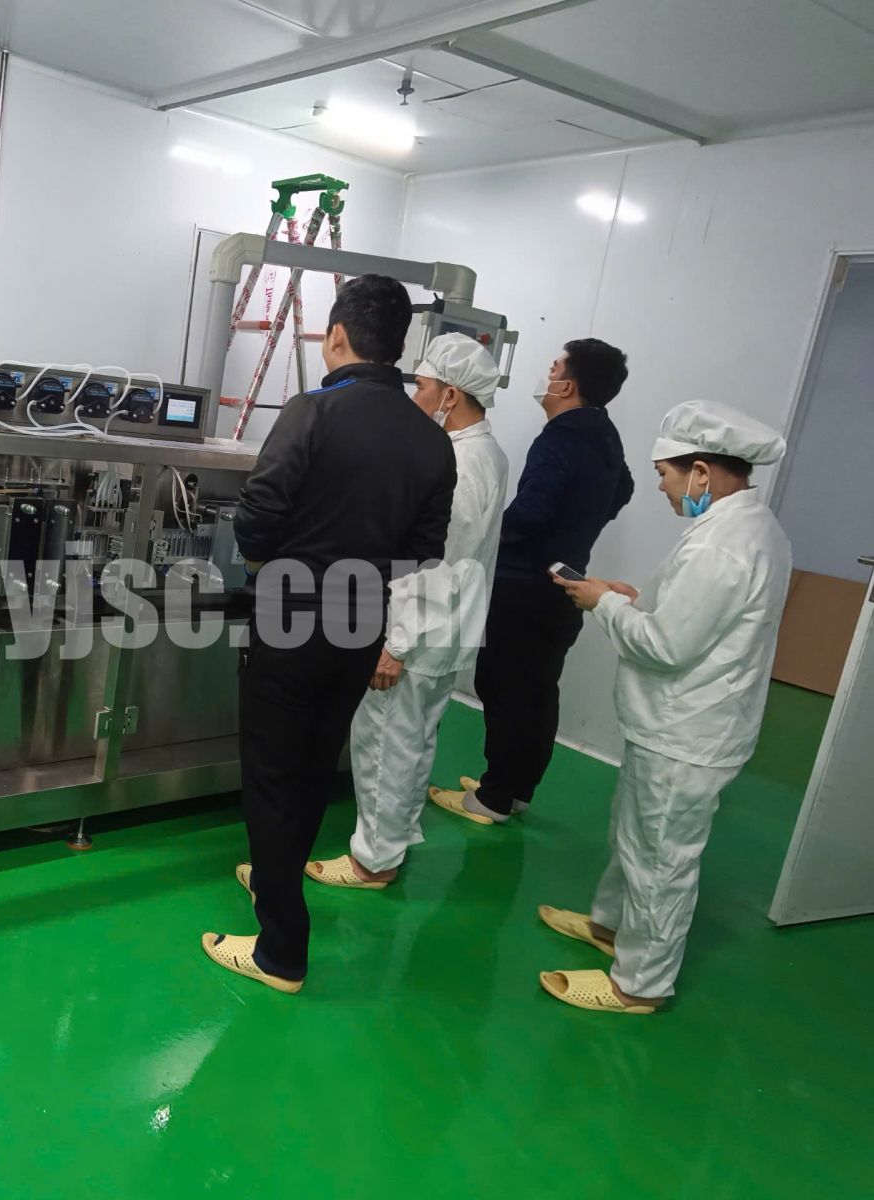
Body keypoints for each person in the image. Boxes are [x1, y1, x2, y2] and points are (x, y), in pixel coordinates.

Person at [203, 274, 457, 994]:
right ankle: (274, 875)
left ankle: (280, 950)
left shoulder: (312, 412)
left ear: (337, 336)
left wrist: (276, 565)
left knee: (271, 771)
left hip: (292, 614)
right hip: (360, 619)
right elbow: (424, 551)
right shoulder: (432, 440)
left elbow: (257, 515)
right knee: (315, 765)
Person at [540, 400, 790, 1014]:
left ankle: (640, 983)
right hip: (676, 723)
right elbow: (694, 618)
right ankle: (610, 926)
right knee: (634, 832)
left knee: (660, 858)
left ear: (700, 471)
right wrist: (631, 598)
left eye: (664, 473)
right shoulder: (746, 527)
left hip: (688, 730)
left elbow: (666, 646)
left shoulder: (723, 547)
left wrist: (602, 604)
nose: (660, 486)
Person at [307, 333, 509, 888]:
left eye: (421, 386)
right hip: (449, 630)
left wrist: (395, 643)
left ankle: (373, 861)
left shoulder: (462, 463)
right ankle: (395, 837)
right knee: (416, 740)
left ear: (450, 394)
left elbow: (437, 563)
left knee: (385, 743)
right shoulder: (487, 452)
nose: (414, 396)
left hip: (420, 634)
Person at [431, 338, 632, 825]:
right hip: (564, 583)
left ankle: (493, 798)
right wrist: (577, 532)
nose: (547, 374)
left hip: (524, 588)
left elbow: (532, 512)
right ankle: (516, 787)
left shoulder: (561, 437)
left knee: (505, 686)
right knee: (538, 689)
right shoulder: (603, 432)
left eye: (554, 367)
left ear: (567, 385)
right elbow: (622, 489)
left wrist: (489, 535)